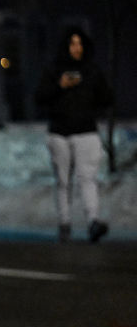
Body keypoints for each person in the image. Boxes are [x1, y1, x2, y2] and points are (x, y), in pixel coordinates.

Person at [34, 26, 113, 243]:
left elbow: (106, 98)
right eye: (72, 43)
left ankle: (93, 222)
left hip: (86, 131)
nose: (76, 48)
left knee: (88, 178)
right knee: (63, 180)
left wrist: (93, 96)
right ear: (65, 46)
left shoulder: (93, 71)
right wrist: (60, 86)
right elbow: (39, 97)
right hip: (59, 132)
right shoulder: (53, 70)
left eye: (80, 44)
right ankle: (65, 223)